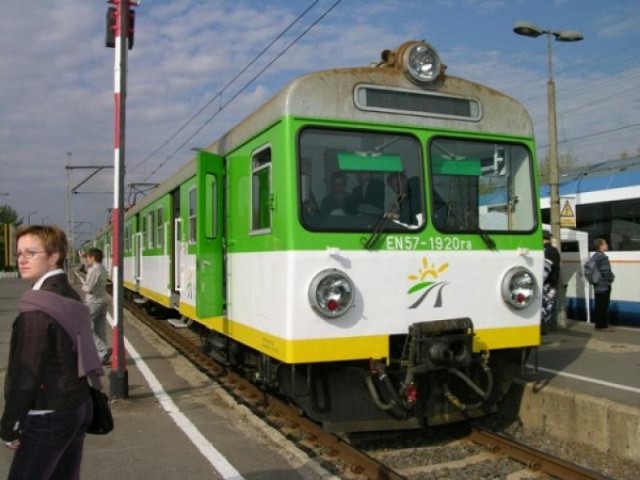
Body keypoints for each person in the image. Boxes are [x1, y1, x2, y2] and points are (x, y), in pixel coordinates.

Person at [1, 225, 104, 479]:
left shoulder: (37, 307)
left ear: (54, 255)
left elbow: (26, 373)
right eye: (19, 253)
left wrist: (10, 424)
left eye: (31, 253)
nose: (21, 260)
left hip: (48, 414)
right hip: (77, 405)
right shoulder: (69, 294)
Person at [82, 247, 112, 365]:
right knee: (100, 328)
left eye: (87, 258)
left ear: (93, 258)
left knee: (86, 327)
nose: (86, 260)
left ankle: (103, 350)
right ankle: (102, 356)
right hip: (103, 301)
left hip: (93, 302)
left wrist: (84, 286)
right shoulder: (103, 269)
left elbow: (89, 288)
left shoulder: (94, 270)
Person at [591, 238, 615, 331]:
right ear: (601, 245)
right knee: (603, 305)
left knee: (599, 304)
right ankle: (602, 326)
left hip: (597, 284)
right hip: (604, 285)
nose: (607, 245)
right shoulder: (603, 257)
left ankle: (598, 324)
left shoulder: (595, 256)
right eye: (605, 243)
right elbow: (606, 272)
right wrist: (611, 279)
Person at [541, 230, 561, 335]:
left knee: (545, 308)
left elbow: (545, 270)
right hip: (549, 284)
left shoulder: (549, 251)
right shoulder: (551, 250)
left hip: (548, 285)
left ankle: (543, 329)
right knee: (545, 308)